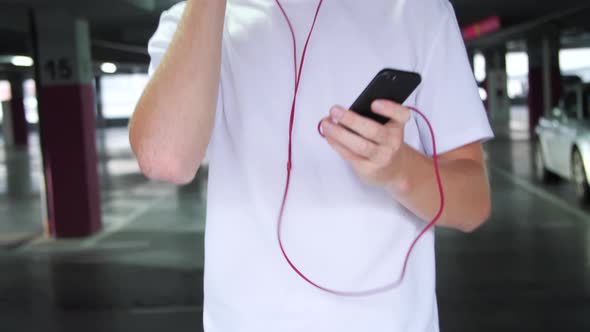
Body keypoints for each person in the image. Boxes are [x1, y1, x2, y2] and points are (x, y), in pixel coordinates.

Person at [129, 0, 493, 330]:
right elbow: (166, 159)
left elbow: (473, 204)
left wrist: (399, 171)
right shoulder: (195, 21)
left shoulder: (418, 12)